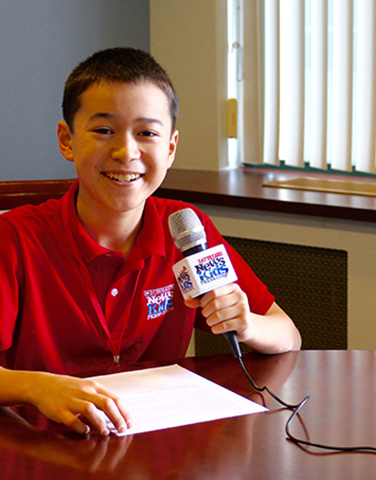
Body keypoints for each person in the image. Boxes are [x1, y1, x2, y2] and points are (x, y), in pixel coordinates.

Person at [0, 47, 301, 436]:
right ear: (67, 140)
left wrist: (246, 325)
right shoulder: (16, 240)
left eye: (147, 133)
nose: (127, 152)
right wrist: (35, 386)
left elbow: (288, 333)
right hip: (42, 445)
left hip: (153, 447)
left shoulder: (186, 230)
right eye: (104, 130)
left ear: (171, 147)